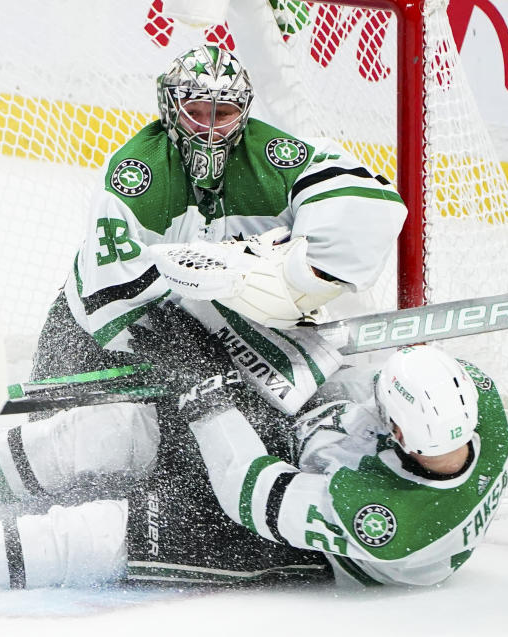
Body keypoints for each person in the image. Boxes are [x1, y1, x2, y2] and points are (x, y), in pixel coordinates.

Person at [0, 304, 508, 590]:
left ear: (399, 438)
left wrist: (206, 390)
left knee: (98, 531)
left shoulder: (380, 521)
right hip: (303, 454)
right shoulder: (473, 403)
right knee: (106, 429)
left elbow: (251, 493)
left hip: (295, 536)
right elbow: (353, 383)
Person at [31, 43, 407, 417]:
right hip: (98, 329)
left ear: (242, 113)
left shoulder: (274, 155)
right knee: (57, 440)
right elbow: (105, 292)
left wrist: (298, 279)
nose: (208, 129)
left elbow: (365, 197)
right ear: (170, 108)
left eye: (222, 113)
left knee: (206, 444)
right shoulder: (135, 174)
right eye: (194, 112)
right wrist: (195, 321)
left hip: (228, 340)